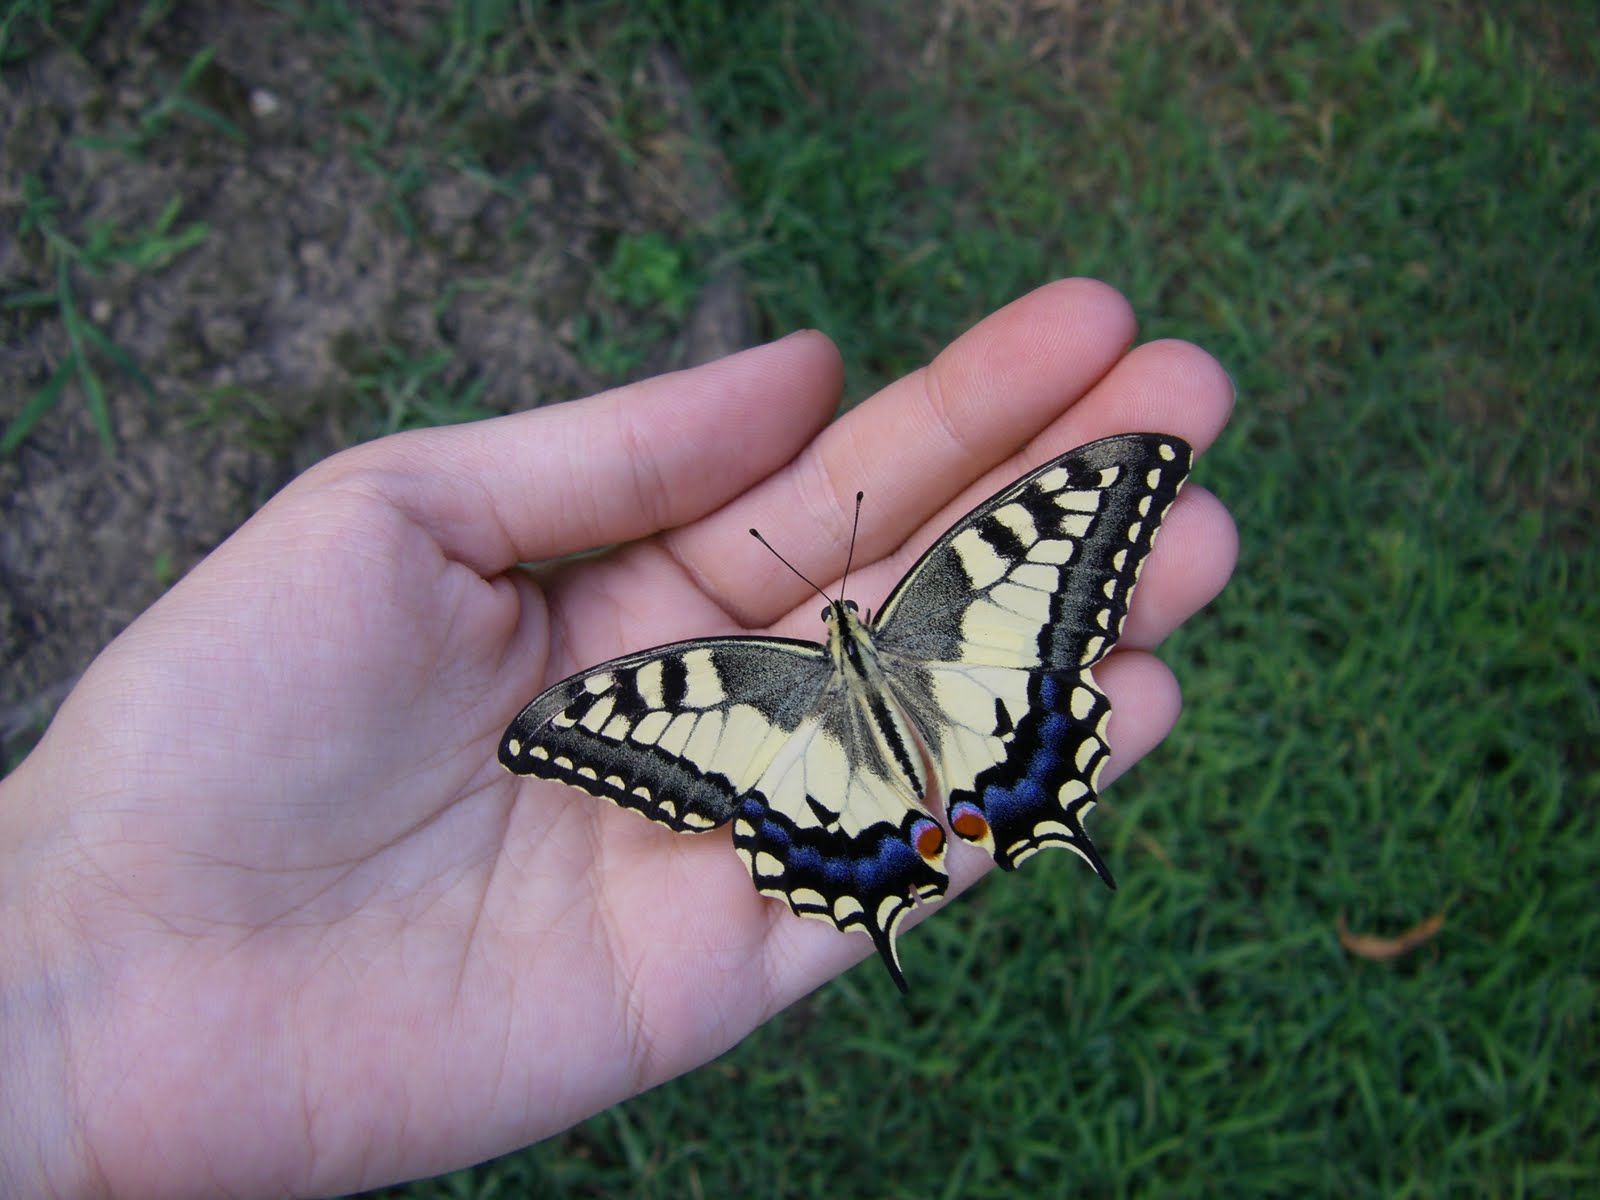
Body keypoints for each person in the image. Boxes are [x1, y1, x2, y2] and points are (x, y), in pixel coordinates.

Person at [0, 279, 1237, 1197]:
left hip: (842, 791)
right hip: (982, 721)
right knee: (988, 714)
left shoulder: (726, 680)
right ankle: (1002, 797)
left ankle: (952, 822)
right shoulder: (816, 641)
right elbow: (602, 712)